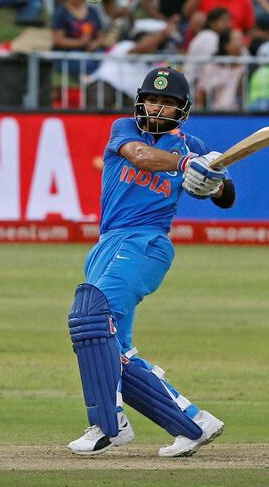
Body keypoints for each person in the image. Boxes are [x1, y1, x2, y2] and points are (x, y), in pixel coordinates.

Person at [66, 66, 235, 457]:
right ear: (140, 102)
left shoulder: (193, 147)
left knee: (91, 318)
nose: (158, 109)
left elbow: (227, 197)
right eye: (152, 100)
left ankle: (108, 424)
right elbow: (139, 156)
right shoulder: (124, 129)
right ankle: (193, 423)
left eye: (168, 103)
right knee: (113, 348)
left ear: (183, 110)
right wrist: (182, 165)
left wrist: (215, 182)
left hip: (146, 243)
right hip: (108, 243)